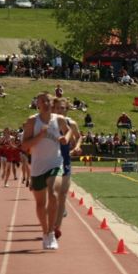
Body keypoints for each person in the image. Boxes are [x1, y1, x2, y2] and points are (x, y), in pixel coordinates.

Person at [20, 92, 72, 250]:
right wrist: (41, 135)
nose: (46, 103)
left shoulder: (59, 120)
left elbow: (68, 131)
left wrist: (66, 139)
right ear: (38, 104)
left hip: (55, 163)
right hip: (37, 167)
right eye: (42, 101)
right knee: (40, 204)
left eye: (48, 100)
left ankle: (51, 233)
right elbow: (24, 146)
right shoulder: (31, 122)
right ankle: (45, 232)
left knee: (54, 194)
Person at [52, 97, 83, 239]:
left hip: (65, 159)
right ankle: (54, 213)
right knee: (51, 192)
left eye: (62, 108)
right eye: (57, 108)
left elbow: (79, 136)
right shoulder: (49, 123)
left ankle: (56, 228)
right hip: (50, 160)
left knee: (63, 193)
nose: (60, 110)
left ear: (67, 109)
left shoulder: (72, 123)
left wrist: (76, 147)